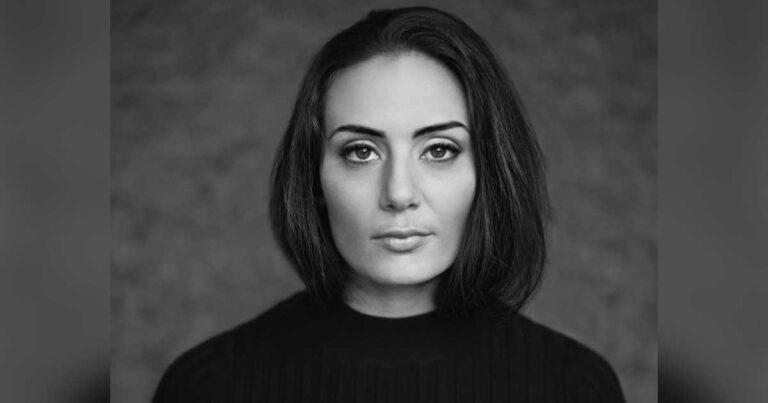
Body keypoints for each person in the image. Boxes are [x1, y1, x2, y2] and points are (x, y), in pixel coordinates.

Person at [152, 6, 625, 402]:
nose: (399, 194)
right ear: (314, 177)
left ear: (489, 171)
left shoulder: (574, 387)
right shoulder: (207, 387)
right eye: (361, 152)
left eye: (439, 150)